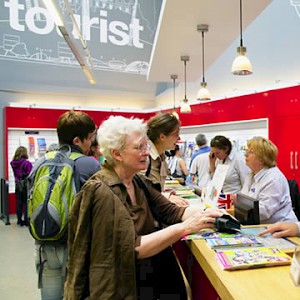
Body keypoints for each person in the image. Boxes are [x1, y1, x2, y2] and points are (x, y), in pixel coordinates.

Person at [64, 116, 223, 299]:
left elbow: (171, 211)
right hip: (125, 285)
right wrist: (185, 228)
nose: (146, 152)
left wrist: (206, 212)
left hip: (150, 277)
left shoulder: (138, 181)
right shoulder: (102, 192)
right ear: (117, 154)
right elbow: (132, 247)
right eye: (139, 147)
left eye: (145, 146)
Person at [33, 110, 101, 300]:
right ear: (77, 141)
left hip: (45, 245)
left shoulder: (40, 162)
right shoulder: (90, 164)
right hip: (76, 247)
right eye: (89, 139)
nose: (91, 144)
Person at [240, 137, 298, 224]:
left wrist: (239, 211)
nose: (246, 154)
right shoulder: (251, 174)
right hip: (260, 225)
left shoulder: (273, 178)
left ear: (262, 158)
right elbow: (244, 201)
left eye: (251, 152)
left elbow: (263, 212)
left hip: (282, 228)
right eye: (246, 150)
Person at [143, 112, 189, 206]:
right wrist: (165, 196)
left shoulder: (161, 157)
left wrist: (163, 192)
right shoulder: (144, 157)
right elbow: (139, 192)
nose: (179, 138)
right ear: (162, 137)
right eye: (176, 134)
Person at [10, 146, 33, 226]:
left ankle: (19, 220)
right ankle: (26, 220)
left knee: (19, 203)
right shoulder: (27, 163)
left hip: (17, 184)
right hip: (25, 185)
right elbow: (31, 174)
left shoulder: (13, 163)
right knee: (27, 203)